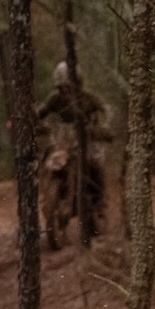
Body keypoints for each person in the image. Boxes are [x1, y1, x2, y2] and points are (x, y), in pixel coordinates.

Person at [36, 61, 113, 249]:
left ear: (78, 83)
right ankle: (47, 201)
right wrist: (35, 121)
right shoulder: (55, 99)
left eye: (70, 85)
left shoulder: (87, 98)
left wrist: (106, 123)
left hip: (85, 142)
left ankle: (100, 204)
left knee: (96, 164)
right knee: (46, 163)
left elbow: (105, 107)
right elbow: (41, 111)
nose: (67, 90)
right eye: (63, 87)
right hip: (63, 142)